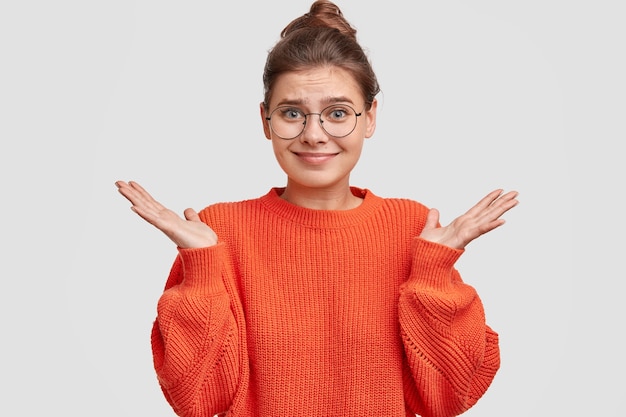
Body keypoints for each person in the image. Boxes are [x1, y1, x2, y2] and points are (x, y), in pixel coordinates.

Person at [115, 1, 518, 416]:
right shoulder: (219, 232)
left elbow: (449, 397)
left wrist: (434, 272)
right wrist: (201, 269)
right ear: (265, 120)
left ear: (371, 117)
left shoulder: (413, 229)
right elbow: (196, 399)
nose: (313, 134)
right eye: (292, 113)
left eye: (337, 113)